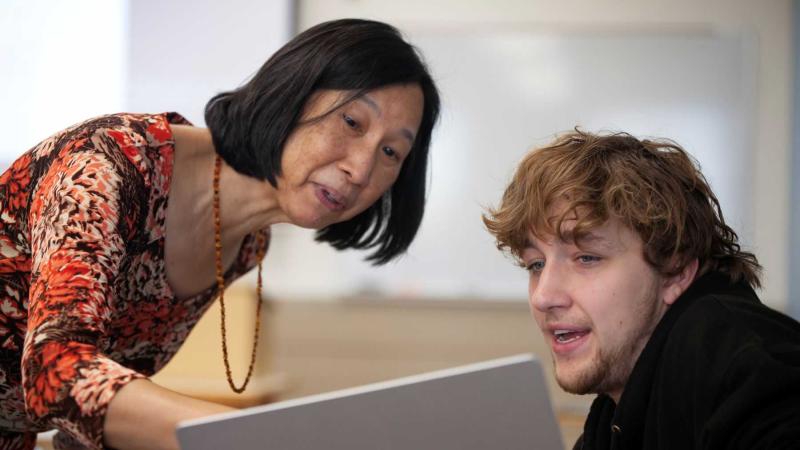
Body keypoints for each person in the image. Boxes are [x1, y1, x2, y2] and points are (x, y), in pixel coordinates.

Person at [0, 18, 440, 450]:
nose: (361, 169)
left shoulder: (248, 244)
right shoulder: (109, 166)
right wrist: (252, 435)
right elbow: (53, 370)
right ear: (290, 94)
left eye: (390, 152)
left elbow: (87, 421)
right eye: (352, 122)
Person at [483, 130, 800, 449]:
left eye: (587, 258)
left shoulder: (742, 364)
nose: (543, 297)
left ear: (675, 270)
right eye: (535, 264)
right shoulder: (613, 414)